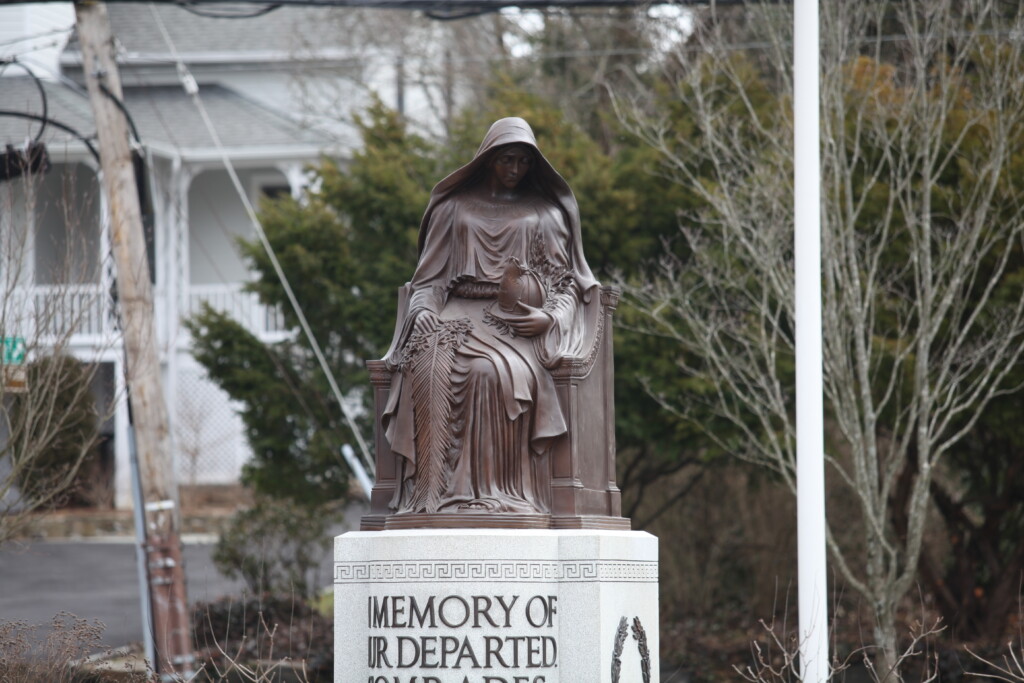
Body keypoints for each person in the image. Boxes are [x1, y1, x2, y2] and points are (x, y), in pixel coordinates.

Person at [382, 117, 599, 516]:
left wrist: (548, 319)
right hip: (454, 312)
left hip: (516, 322)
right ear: (487, 159)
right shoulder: (453, 209)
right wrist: (425, 311)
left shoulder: (545, 214)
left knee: (488, 372)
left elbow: (566, 283)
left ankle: (495, 492)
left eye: (523, 162)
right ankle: (428, 494)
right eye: (506, 160)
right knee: (424, 368)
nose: (514, 170)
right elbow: (427, 280)